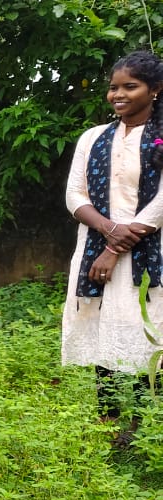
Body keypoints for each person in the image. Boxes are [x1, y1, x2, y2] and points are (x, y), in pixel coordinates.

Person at [61, 50, 163, 422]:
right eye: (113, 88)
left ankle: (144, 425)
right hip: (95, 252)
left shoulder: (160, 138)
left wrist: (114, 247)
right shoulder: (93, 139)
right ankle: (109, 423)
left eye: (129, 87)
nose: (117, 95)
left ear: (155, 89)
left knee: (149, 329)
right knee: (105, 330)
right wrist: (109, 231)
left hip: (152, 251)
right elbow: (75, 195)